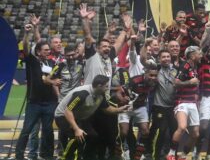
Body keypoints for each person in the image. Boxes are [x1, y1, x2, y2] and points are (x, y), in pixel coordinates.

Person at [54, 75, 129, 160]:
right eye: (106, 86)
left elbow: (107, 109)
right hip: (62, 116)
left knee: (93, 136)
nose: (108, 88)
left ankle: (86, 157)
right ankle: (65, 158)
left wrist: (120, 109)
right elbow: (67, 111)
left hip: (79, 117)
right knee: (77, 137)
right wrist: (76, 129)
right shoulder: (83, 93)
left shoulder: (101, 94)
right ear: (99, 86)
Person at [15, 24, 58, 160]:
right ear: (38, 52)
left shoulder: (51, 63)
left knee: (48, 131)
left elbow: (53, 81)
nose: (48, 52)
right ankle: (19, 156)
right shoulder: (32, 61)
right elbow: (26, 48)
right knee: (26, 130)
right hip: (34, 102)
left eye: (48, 50)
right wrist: (27, 33)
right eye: (45, 50)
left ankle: (47, 155)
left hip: (49, 102)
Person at [167, 46, 203, 160]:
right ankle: (171, 154)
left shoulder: (194, 67)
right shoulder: (185, 66)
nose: (201, 55)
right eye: (199, 53)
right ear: (192, 56)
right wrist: (190, 82)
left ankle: (183, 155)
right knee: (182, 127)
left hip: (192, 103)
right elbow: (175, 83)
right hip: (181, 101)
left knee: (196, 134)